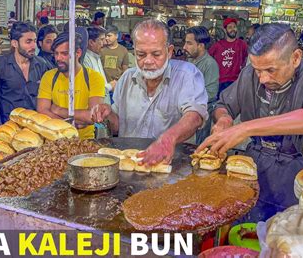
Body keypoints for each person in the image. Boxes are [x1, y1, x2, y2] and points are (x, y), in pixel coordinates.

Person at [198, 23, 303, 222]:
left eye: (271, 70)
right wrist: (224, 120)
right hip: (255, 166)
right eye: (258, 70)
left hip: (300, 173)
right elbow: (224, 105)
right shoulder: (249, 74)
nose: (263, 78)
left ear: (295, 58)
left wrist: (246, 128)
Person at [91, 19, 208, 165]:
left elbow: (195, 117)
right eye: (141, 54)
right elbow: (117, 126)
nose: (148, 61)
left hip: (173, 165)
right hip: (131, 165)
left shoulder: (187, 75)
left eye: (156, 54)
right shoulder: (127, 78)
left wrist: (167, 140)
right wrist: (108, 114)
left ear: (169, 51)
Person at [37, 32, 105, 139]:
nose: (58, 58)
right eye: (56, 53)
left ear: (78, 53)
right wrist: (72, 124)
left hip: (85, 141)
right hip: (55, 142)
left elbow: (92, 116)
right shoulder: (48, 77)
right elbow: (42, 111)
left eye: (64, 54)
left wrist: (59, 110)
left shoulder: (94, 78)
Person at [0, 22, 51, 122]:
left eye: (34, 41)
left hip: (34, 124)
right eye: (28, 42)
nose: (34, 46)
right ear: (14, 43)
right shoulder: (0, 65)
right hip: (9, 125)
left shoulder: (42, 65)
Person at [183, 26, 219, 144]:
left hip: (203, 111)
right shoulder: (190, 61)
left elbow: (211, 93)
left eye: (189, 43)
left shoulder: (210, 64)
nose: (184, 47)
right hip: (186, 109)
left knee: (199, 145)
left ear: (201, 46)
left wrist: (190, 101)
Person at [208, 18, 248, 97]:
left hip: (236, 81)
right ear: (225, 30)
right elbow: (208, 58)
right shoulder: (218, 45)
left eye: (234, 27)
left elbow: (247, 58)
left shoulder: (242, 44)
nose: (233, 29)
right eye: (230, 27)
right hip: (221, 81)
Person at [84, 26, 112, 104]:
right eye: (102, 40)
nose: (105, 43)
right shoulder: (85, 60)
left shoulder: (97, 56)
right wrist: (109, 86)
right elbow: (89, 88)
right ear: (91, 42)